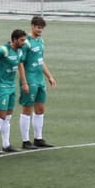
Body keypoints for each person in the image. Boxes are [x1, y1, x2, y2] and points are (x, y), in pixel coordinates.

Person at [0, 30, 29, 154]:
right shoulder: (3, 50)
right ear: (14, 39)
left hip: (11, 87)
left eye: (24, 40)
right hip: (1, 87)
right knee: (0, 116)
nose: (24, 42)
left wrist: (24, 83)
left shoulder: (20, 51)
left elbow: (20, 65)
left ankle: (6, 144)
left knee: (8, 117)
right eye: (21, 40)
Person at [19, 15, 58, 148]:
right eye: (38, 27)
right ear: (32, 26)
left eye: (42, 28)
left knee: (40, 109)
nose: (40, 30)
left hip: (39, 79)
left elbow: (41, 61)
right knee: (27, 109)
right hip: (30, 79)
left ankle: (38, 138)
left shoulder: (41, 41)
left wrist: (49, 76)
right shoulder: (26, 43)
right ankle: (25, 141)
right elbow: (20, 63)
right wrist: (24, 82)